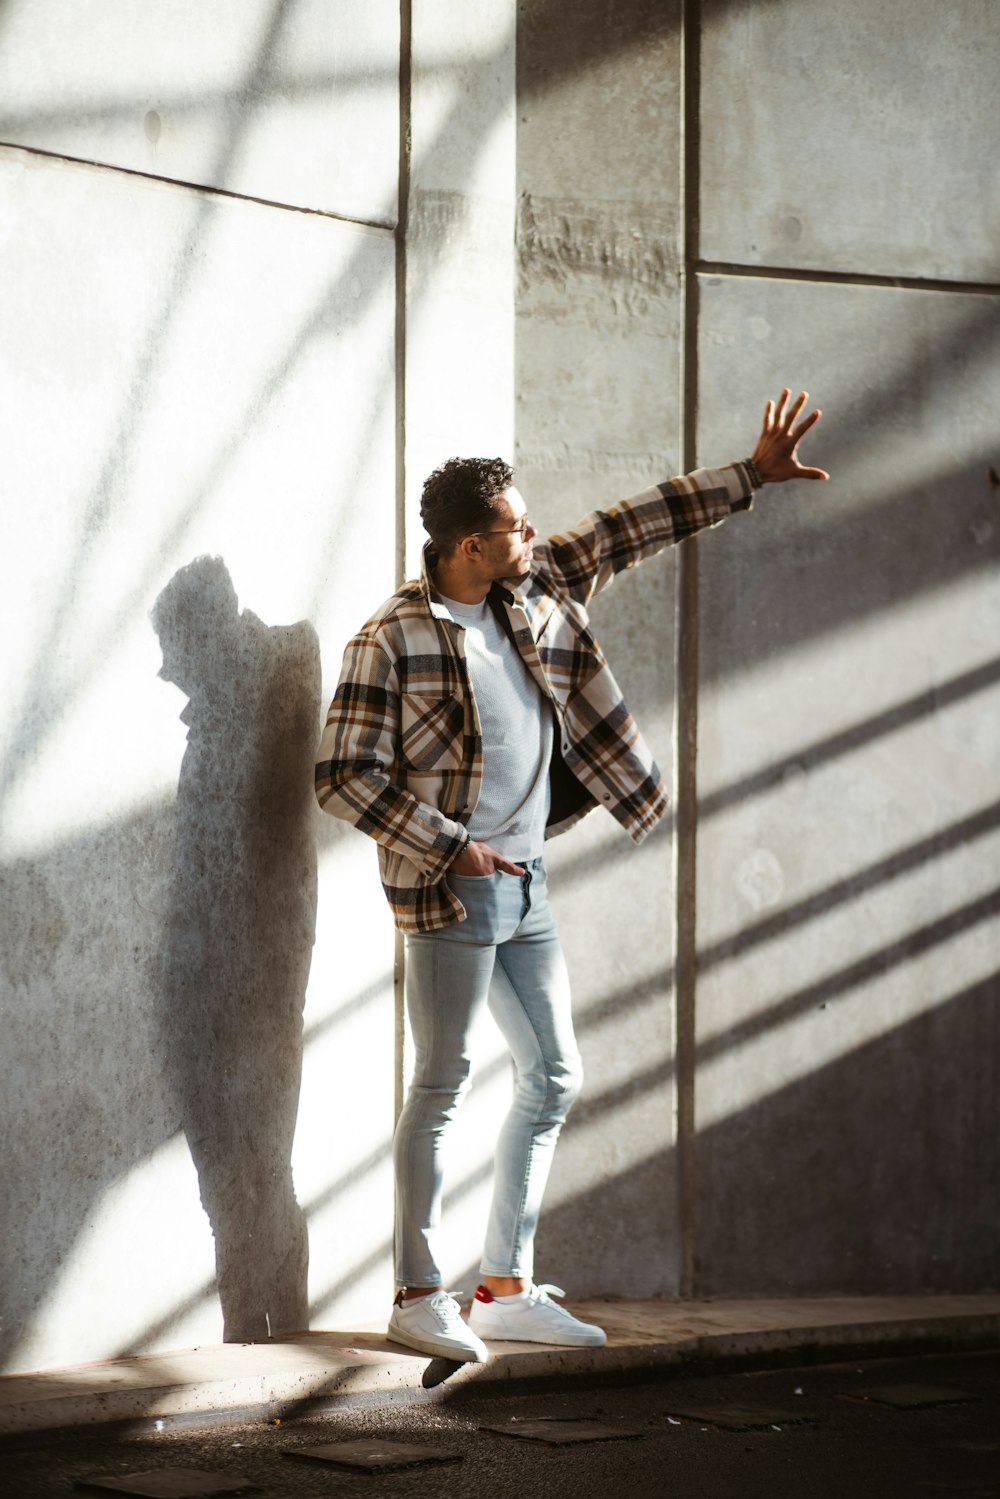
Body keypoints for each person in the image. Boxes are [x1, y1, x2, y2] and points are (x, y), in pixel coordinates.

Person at [315, 389, 828, 1362]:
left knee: (552, 1072)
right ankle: (418, 1290)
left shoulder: (537, 584)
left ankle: (503, 1284)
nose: (534, 532)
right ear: (470, 545)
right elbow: (340, 774)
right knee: (444, 1080)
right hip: (455, 888)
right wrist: (448, 843)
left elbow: (630, 524)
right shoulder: (393, 637)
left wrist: (748, 475)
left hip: (530, 883)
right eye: (514, 525)